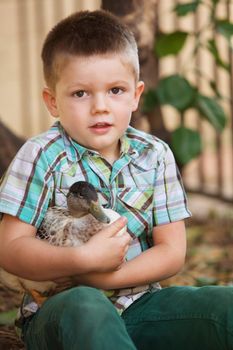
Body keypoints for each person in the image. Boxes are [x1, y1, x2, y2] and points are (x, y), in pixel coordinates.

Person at [0, 9, 233, 350]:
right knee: (87, 308)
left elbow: (171, 251)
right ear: (52, 101)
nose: (100, 107)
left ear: (137, 95)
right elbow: (10, 248)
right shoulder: (40, 156)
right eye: (81, 93)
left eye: (115, 90)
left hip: (140, 305)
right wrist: (81, 262)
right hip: (63, 310)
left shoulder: (155, 154)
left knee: (223, 306)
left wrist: (108, 275)